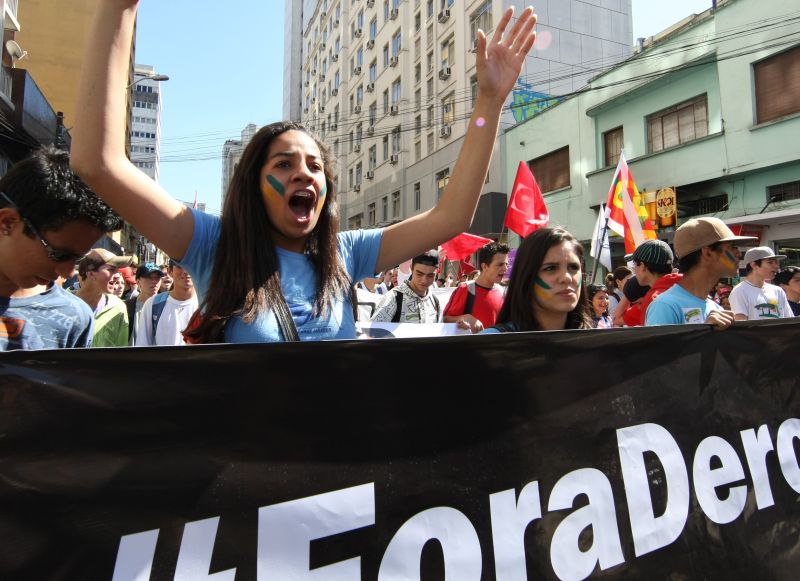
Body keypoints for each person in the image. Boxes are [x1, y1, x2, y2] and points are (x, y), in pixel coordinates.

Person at [71, 3, 537, 343]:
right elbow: (99, 163)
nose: (304, 175)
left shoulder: (345, 252)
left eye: (315, 166)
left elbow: (451, 216)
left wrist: (489, 103)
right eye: (284, 164)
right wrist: (120, 8)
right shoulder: (215, 244)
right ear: (254, 184)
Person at [0, 147, 123, 350]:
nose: (68, 272)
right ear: (8, 223)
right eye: (59, 254)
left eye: (77, 259)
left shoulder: (74, 316)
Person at [646, 217, 756, 328]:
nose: (739, 254)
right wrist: (704, 332)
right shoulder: (665, 306)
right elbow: (658, 346)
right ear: (707, 253)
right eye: (732, 247)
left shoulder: (716, 309)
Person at [483, 228, 592, 333]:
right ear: (526, 277)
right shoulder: (489, 343)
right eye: (550, 268)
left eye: (573, 267)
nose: (567, 278)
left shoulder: (599, 343)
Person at [443, 241, 509, 333]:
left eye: (506, 264)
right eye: (500, 264)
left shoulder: (502, 292)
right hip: (471, 346)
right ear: (485, 266)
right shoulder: (465, 289)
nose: (505, 269)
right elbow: (445, 319)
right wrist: (464, 318)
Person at [75, 248, 133, 347]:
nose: (117, 276)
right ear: (91, 274)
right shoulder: (63, 306)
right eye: (111, 270)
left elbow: (121, 351)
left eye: (117, 271)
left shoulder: (118, 307)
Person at [135, 260, 199, 346]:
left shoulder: (207, 305)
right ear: (170, 271)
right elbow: (142, 347)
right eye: (180, 266)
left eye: (191, 264)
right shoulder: (152, 304)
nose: (185, 271)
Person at [619, 239, 681, 327]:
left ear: (643, 266)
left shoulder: (656, 300)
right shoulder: (690, 289)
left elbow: (656, 339)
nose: (634, 270)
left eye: (634, 264)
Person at [371, 251, 443, 324]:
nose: (424, 280)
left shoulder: (435, 302)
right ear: (411, 268)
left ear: (436, 273)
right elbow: (372, 332)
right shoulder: (393, 298)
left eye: (430, 276)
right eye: (419, 274)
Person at [729, 247, 794, 320]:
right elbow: (741, 326)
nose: (776, 266)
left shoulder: (778, 291)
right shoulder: (739, 291)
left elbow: (789, 321)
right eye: (770, 262)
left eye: (776, 262)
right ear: (754, 265)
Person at [125, 263, 163, 343]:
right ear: (138, 282)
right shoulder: (127, 307)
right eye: (149, 277)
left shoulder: (166, 304)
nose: (154, 281)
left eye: (157, 278)